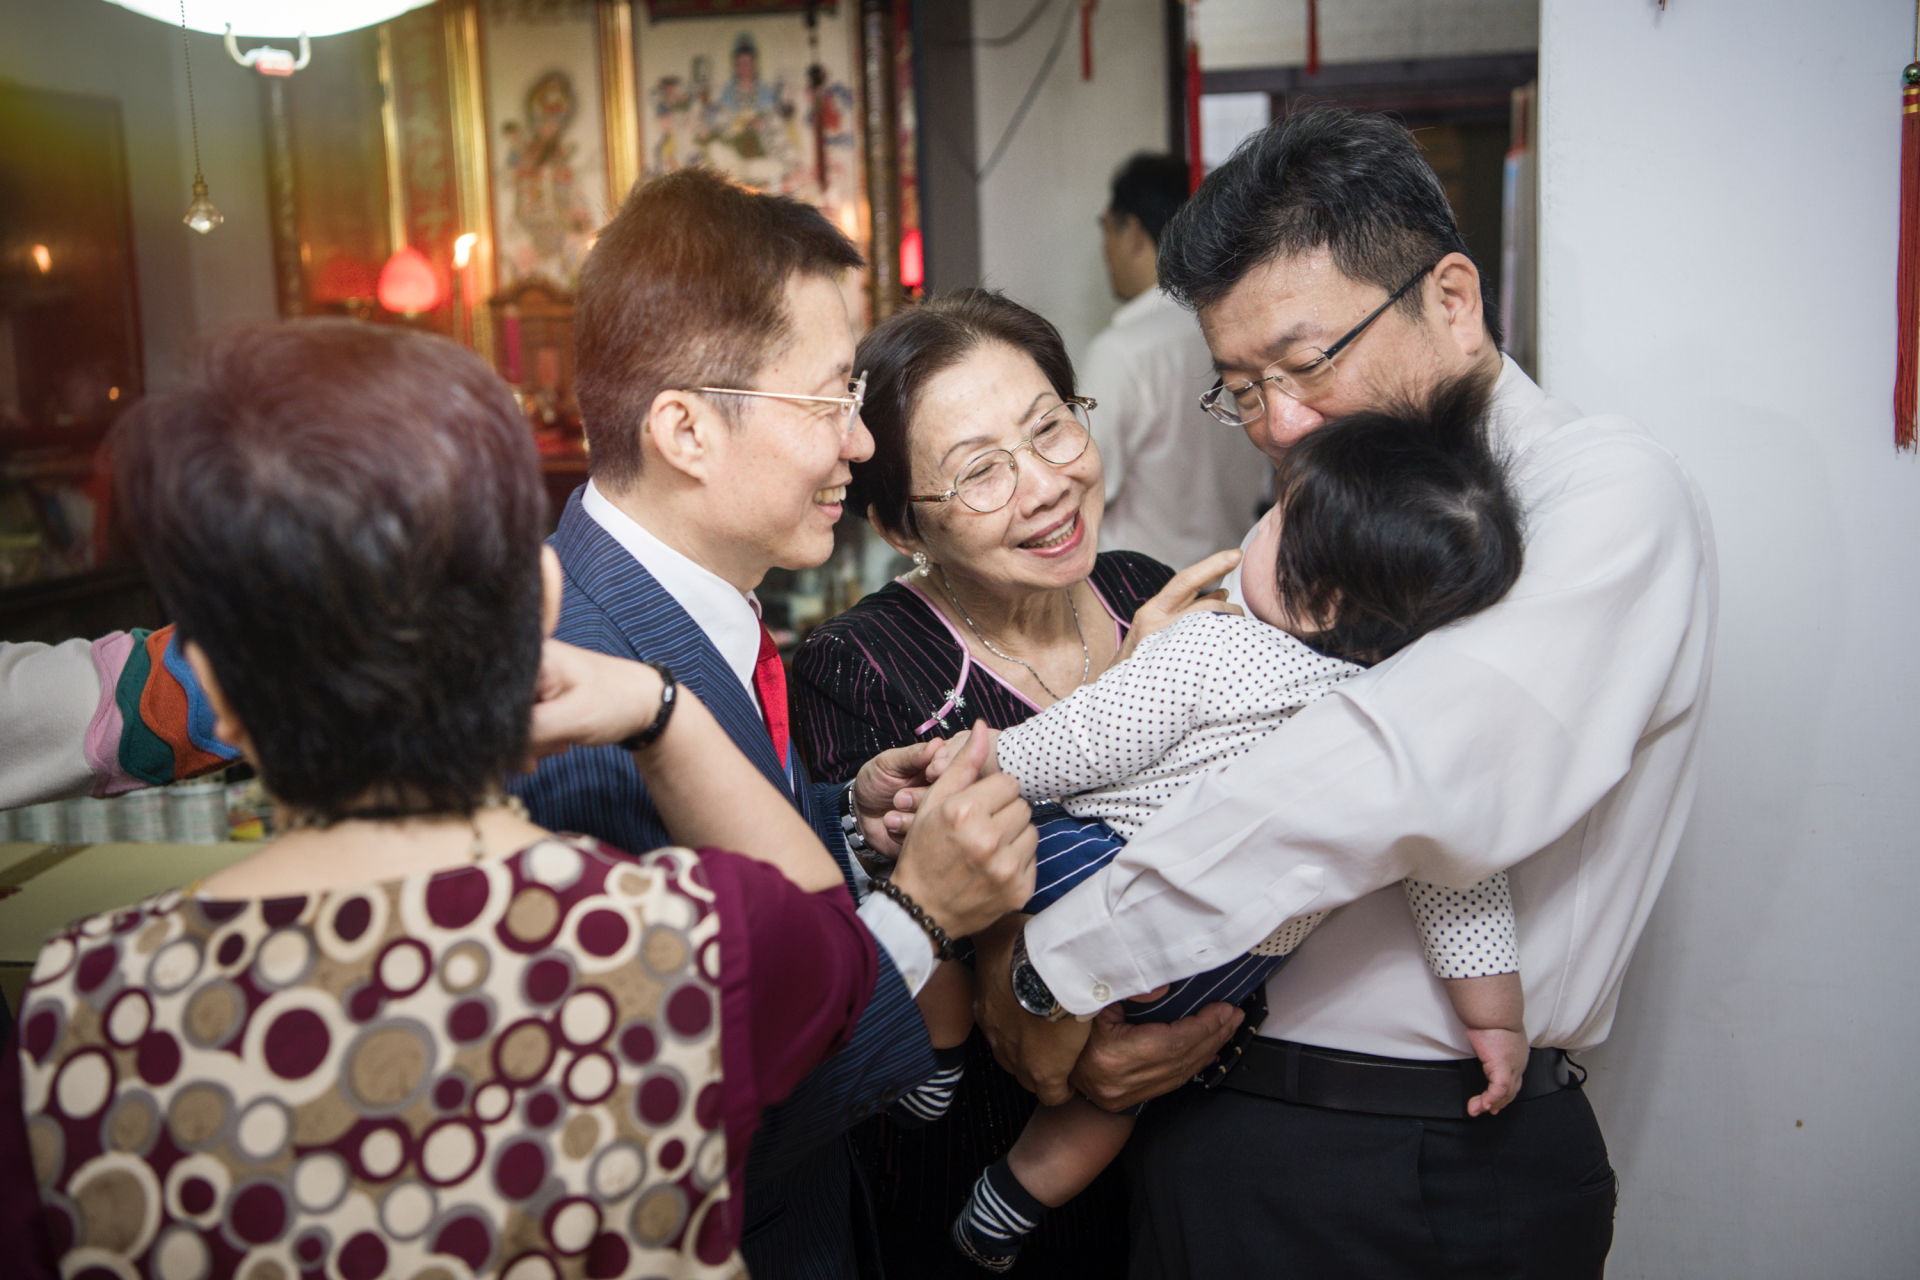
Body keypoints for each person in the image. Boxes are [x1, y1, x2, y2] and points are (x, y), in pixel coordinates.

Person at [0, 319, 972, 1278]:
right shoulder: (678, 940)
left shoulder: (78, 1014)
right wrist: (663, 711)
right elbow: (835, 947)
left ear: (209, 683)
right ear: (543, 599)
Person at [972, 106, 1718, 1278]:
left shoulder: (1603, 499)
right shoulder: (1318, 509)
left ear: (1452, 299)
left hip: (1410, 1151)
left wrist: (1060, 964)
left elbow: (1387, 777)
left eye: (1309, 362)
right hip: (1207, 1100)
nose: (1280, 423)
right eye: (1241, 387)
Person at [515, 169, 1038, 1279]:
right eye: (831, 399)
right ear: (686, 429)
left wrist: (843, 823)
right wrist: (921, 912)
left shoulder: (687, 608)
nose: (860, 444)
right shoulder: (579, 700)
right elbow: (682, 1119)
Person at [936, 379, 1530, 1272]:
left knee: (955, 875)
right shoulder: (1406, 728)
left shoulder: (1219, 646)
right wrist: (1496, 1022)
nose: (1258, 525)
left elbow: (1082, 745)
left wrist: (973, 771)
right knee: (1119, 1094)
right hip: (1220, 968)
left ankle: (936, 1054)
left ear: (1318, 596)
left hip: (1105, 878)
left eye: (1277, 517)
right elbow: (1459, 877)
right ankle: (1011, 1202)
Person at [791, 288, 1246, 1279]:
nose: (1045, 485)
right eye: (978, 472)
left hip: (1191, 1158)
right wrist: (1134, 696)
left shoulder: (1144, 586)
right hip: (976, 1172)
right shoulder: (858, 667)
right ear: (903, 528)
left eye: (1051, 428)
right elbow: (918, 977)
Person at [1082, 153, 1269, 568]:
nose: (1105, 250)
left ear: (1132, 231)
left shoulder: (1121, 353)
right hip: (1232, 580)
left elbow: (1081, 488)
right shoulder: (1239, 335)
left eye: (1107, 229)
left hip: (1141, 592)